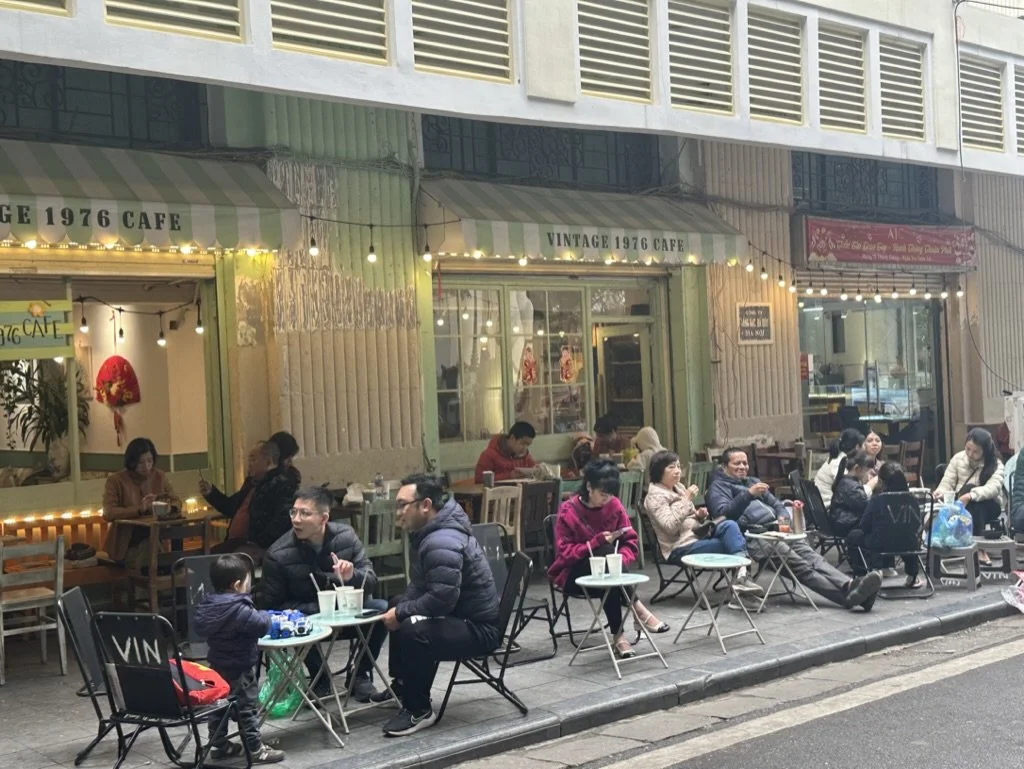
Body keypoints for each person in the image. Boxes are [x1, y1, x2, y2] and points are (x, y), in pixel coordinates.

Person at [372, 474, 501, 737]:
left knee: (413, 631)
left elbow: (442, 600)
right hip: (461, 616)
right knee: (398, 603)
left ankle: (418, 709)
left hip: (478, 628)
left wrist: (403, 614)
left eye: (402, 505)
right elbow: (421, 586)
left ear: (425, 505)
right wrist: (400, 608)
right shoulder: (429, 533)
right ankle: (404, 683)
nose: (397, 513)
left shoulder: (441, 541)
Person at [706, 448, 881, 611]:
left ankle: (849, 585)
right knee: (800, 565)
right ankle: (847, 597)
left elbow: (775, 503)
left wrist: (783, 518)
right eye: (737, 463)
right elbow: (724, 516)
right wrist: (748, 495)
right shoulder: (718, 487)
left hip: (776, 531)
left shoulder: (752, 481)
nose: (743, 467)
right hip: (752, 537)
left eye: (745, 463)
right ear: (724, 466)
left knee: (812, 556)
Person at [256, 485, 386, 702]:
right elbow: (271, 607)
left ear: (324, 518)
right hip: (310, 623)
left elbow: (371, 581)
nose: (296, 519)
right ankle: (319, 678)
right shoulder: (278, 554)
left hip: (347, 615)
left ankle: (360, 674)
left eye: (305, 513)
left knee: (383, 610)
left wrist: (351, 575)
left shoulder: (346, 536)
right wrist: (316, 610)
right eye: (293, 512)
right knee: (295, 620)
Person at [549, 460, 667, 659]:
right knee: (605, 552)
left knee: (610, 571)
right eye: (602, 494)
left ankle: (619, 637)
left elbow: (631, 542)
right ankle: (639, 610)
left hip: (610, 574)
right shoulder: (569, 510)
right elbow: (564, 554)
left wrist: (621, 558)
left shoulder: (614, 506)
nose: (607, 500)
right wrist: (594, 543)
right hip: (573, 574)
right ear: (588, 486)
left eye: (610, 495)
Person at [193, 554, 285, 764]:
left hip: (216, 667)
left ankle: (219, 745)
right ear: (236, 585)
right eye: (247, 582)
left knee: (218, 707)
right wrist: (266, 615)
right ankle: (254, 749)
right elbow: (261, 626)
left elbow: (200, 627)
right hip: (240, 668)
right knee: (246, 709)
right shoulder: (239, 609)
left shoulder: (209, 607)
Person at [643, 450, 762, 595]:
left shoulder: (678, 487)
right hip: (680, 547)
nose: (677, 471)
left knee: (730, 524)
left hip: (698, 535)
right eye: (671, 467)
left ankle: (741, 577)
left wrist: (699, 516)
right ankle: (742, 587)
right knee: (731, 543)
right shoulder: (654, 497)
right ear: (659, 471)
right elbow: (670, 526)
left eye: (679, 466)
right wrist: (686, 500)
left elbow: (687, 517)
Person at [201, 441, 297, 564]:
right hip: (238, 543)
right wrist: (211, 493)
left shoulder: (280, 485)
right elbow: (231, 507)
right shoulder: (252, 484)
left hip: (257, 548)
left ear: (267, 462)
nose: (249, 464)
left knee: (215, 562)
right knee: (209, 557)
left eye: (253, 460)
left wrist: (256, 541)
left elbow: (282, 520)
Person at [102, 437, 180, 568]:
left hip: (157, 539)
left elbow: (177, 501)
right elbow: (108, 513)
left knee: (157, 548)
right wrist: (139, 509)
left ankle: (163, 581)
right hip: (127, 544)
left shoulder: (159, 476)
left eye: (150, 461)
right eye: (141, 462)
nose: (146, 466)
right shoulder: (116, 481)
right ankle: (163, 581)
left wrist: (164, 506)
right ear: (132, 462)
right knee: (151, 550)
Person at [847, 463, 923, 589]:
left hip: (880, 543)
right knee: (909, 537)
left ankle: (863, 575)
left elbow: (864, 525)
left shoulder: (878, 500)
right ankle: (913, 576)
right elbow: (917, 525)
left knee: (853, 536)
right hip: (908, 544)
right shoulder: (912, 499)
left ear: (881, 482)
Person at [933, 427, 1005, 542]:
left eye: (975, 452)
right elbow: (947, 482)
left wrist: (970, 496)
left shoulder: (996, 465)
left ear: (985, 451)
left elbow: (993, 488)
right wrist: (940, 491)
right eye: (968, 449)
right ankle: (976, 545)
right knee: (970, 506)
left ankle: (975, 544)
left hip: (988, 504)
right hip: (960, 502)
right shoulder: (958, 459)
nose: (970, 454)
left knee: (975, 505)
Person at [815, 429, 868, 507]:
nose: (865, 448)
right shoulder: (839, 462)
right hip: (828, 508)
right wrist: (870, 485)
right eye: (864, 445)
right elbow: (850, 492)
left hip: (826, 505)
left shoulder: (840, 457)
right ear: (857, 447)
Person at [828, 451, 874, 537]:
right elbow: (866, 506)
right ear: (857, 468)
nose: (868, 473)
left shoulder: (846, 481)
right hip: (844, 524)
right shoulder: (851, 486)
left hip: (839, 520)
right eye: (867, 470)